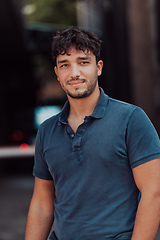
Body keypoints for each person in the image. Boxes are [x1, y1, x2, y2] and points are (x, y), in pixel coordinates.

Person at [25, 27, 160, 240]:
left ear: (98, 67)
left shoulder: (132, 119)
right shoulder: (46, 130)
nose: (74, 72)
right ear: (57, 73)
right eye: (65, 65)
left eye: (83, 62)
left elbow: (153, 193)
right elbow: (42, 202)